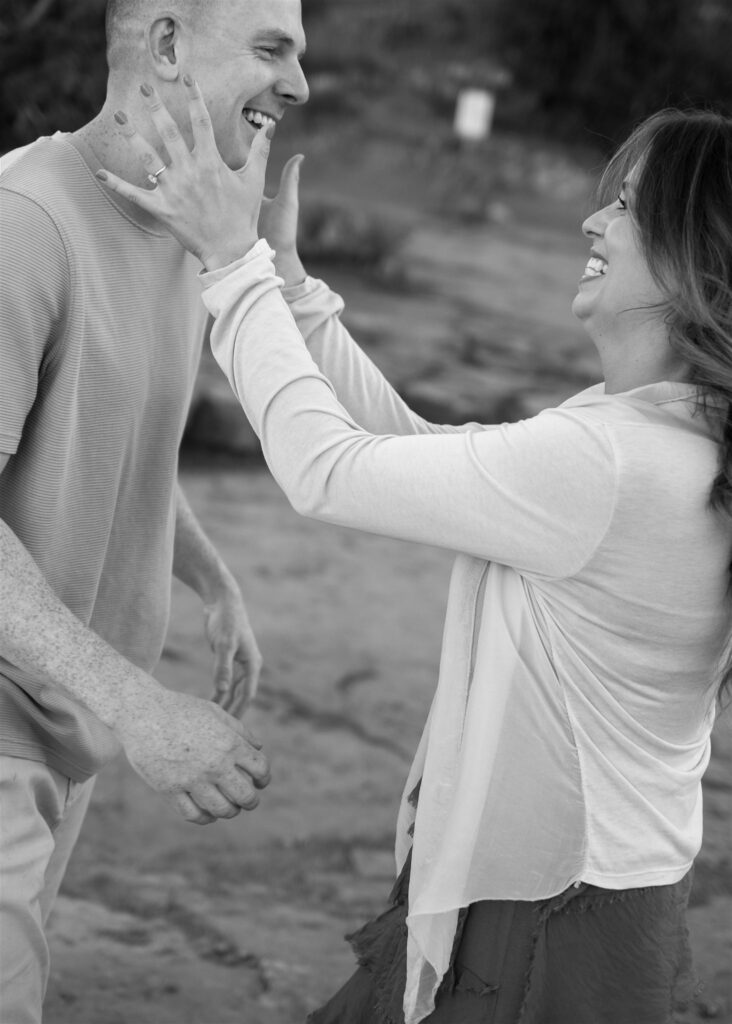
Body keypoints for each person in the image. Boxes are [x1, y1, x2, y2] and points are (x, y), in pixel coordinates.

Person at [100, 87, 732, 1024]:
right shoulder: (656, 438)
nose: (594, 218)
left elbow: (329, 473)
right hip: (572, 903)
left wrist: (235, 267)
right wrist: (293, 292)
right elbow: (418, 456)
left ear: (692, 261)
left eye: (628, 205)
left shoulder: (615, 463)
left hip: (548, 925)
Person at [0, 3, 307, 1021]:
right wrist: (143, 708)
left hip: (62, 732)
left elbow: (95, 432)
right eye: (272, 51)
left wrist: (210, 578)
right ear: (165, 47)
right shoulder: (24, 224)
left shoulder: (181, 227)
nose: (299, 88)